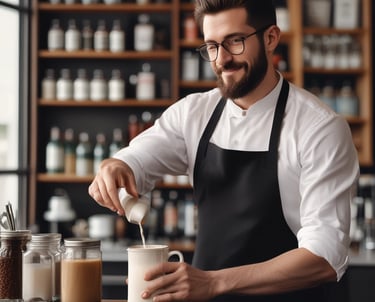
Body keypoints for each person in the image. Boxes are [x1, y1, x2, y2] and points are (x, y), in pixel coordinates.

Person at [89, 0, 359, 301]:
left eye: (235, 41)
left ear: (270, 38)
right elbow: (137, 160)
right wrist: (116, 165)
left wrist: (212, 282)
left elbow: (324, 256)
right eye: (212, 46)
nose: (222, 59)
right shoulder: (194, 113)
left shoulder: (319, 128)